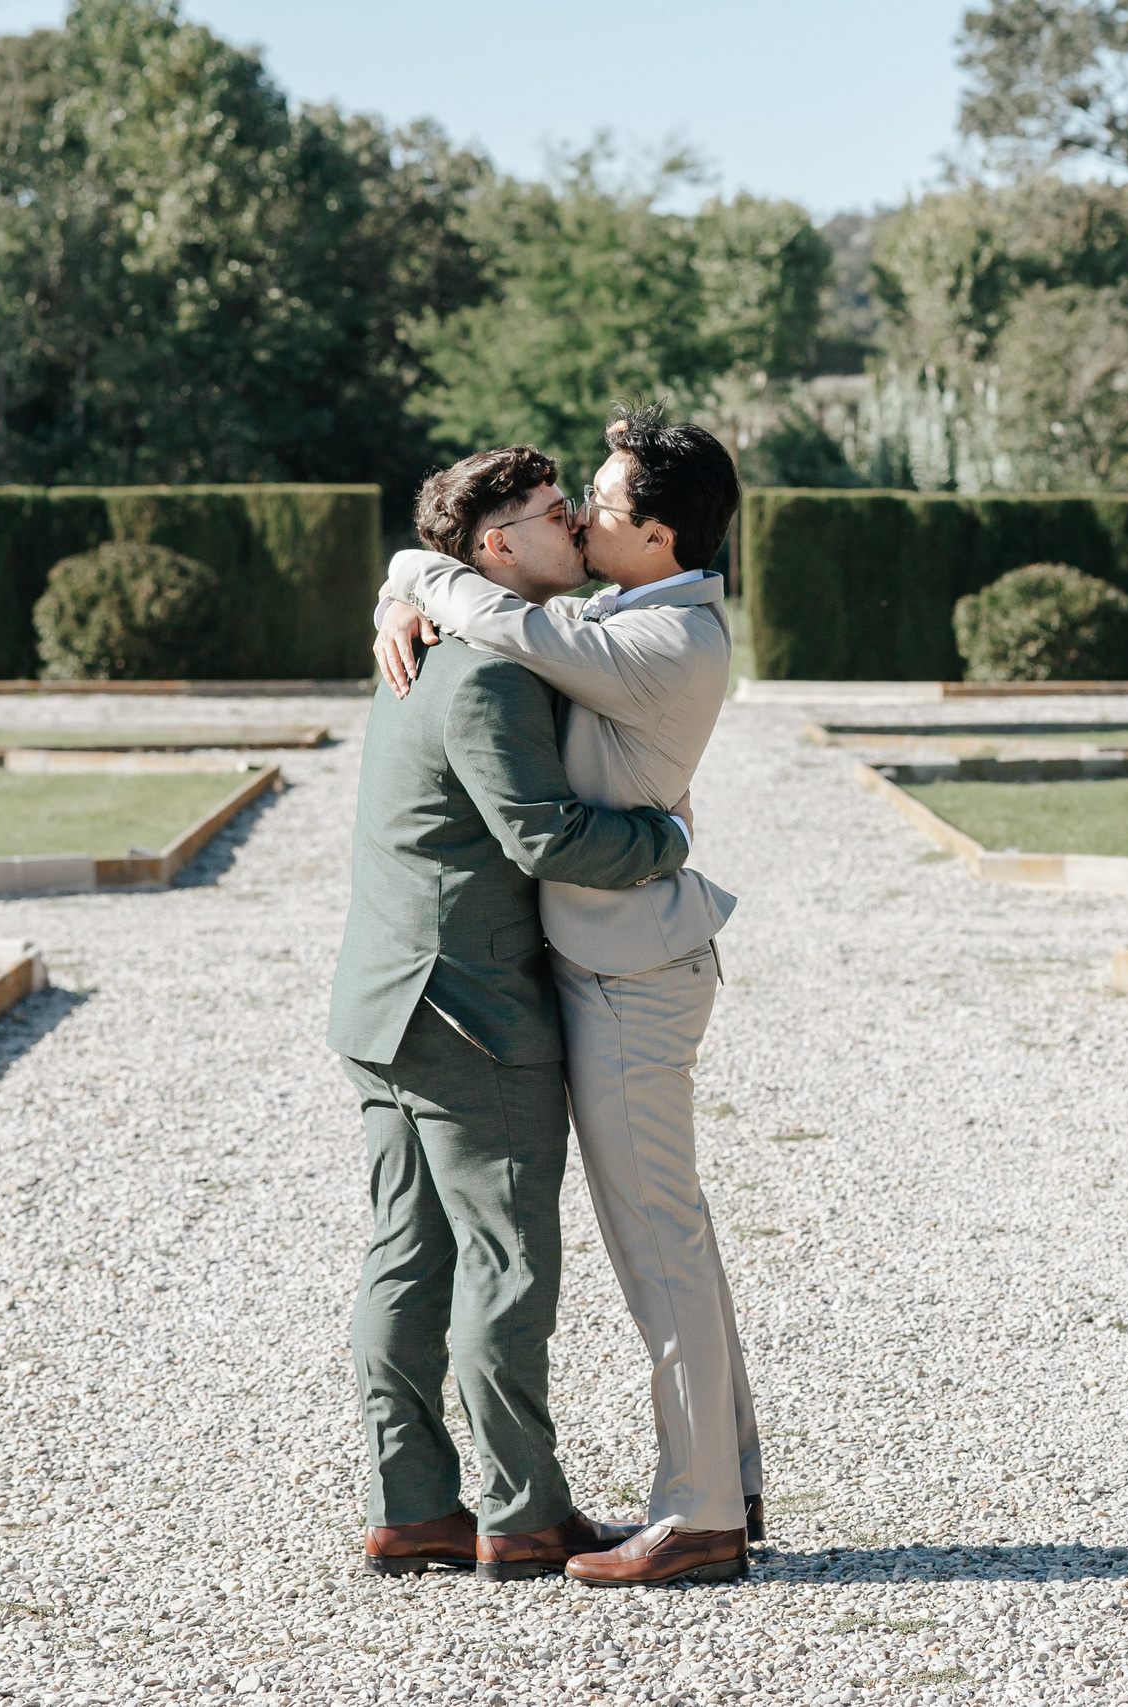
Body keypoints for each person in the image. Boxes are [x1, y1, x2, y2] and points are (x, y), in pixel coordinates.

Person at [371, 400, 759, 1588]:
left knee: (658, 1243)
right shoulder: (626, 609)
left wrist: (416, 576)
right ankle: (728, 1482)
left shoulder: (663, 639)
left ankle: (699, 1517)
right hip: (606, 963)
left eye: (600, 501)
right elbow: (483, 595)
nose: (583, 514)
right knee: (671, 1235)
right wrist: (402, 586)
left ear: (659, 536)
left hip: (631, 972)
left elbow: (496, 608)